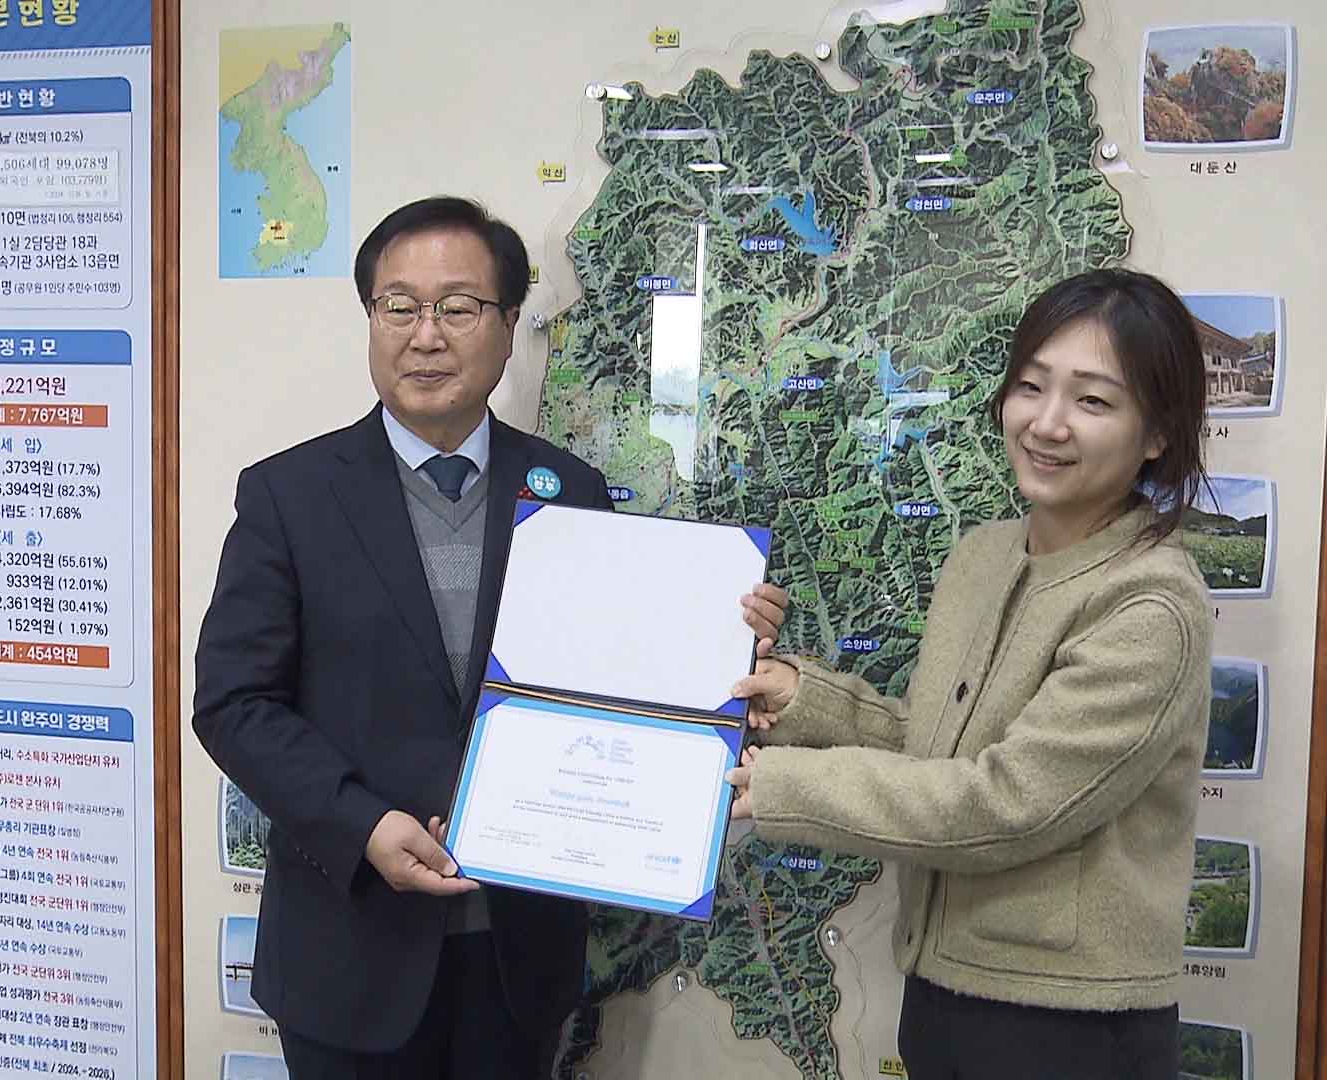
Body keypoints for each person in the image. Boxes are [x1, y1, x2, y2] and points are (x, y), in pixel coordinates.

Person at [193, 195, 787, 1079]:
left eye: (458, 307)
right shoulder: (289, 495)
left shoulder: (569, 489)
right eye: (399, 306)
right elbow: (234, 704)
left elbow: (614, 676)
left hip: (517, 956)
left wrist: (722, 652)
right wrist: (363, 824)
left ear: (509, 327)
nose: (425, 336)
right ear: (371, 320)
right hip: (348, 953)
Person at [727, 268, 1214, 1079]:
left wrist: (779, 789)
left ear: (1158, 432)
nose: (1047, 423)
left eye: (1093, 401)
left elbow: (1006, 803)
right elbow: (939, 748)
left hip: (1070, 1029)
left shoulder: (1150, 606)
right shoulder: (982, 557)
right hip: (943, 994)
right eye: (1031, 386)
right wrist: (803, 699)